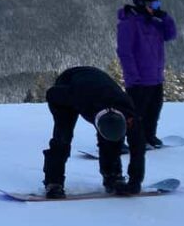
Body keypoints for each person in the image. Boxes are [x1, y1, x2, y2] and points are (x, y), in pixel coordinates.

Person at [42, 66, 145, 199]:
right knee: (62, 138)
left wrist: (135, 181)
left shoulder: (129, 113)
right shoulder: (79, 96)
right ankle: (54, 182)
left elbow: (138, 148)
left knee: (111, 143)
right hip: (69, 84)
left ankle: (112, 176)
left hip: (98, 84)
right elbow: (51, 93)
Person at [117, 0, 177, 148]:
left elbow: (171, 34)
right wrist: (132, 76)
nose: (156, 7)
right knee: (133, 113)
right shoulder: (128, 24)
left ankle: (148, 137)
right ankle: (119, 140)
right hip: (139, 79)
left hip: (156, 77)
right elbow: (125, 52)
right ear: (142, 4)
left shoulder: (154, 23)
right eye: (153, 4)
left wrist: (165, 17)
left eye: (157, 4)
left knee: (153, 111)